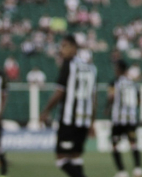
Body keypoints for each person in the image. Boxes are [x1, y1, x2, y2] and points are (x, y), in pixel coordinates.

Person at [40, 35, 97, 177]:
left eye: (65, 46)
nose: (61, 50)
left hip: (69, 120)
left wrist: (45, 111)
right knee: (76, 157)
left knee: (61, 159)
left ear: (74, 48)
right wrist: (92, 122)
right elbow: (93, 98)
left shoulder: (68, 65)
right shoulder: (91, 68)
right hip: (83, 120)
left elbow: (59, 93)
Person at [107, 60, 142, 177]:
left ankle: (121, 171)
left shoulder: (115, 82)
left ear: (119, 70)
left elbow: (111, 97)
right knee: (133, 143)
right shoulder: (133, 83)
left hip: (118, 119)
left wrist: (108, 108)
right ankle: (137, 168)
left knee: (114, 145)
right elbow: (139, 100)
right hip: (131, 119)